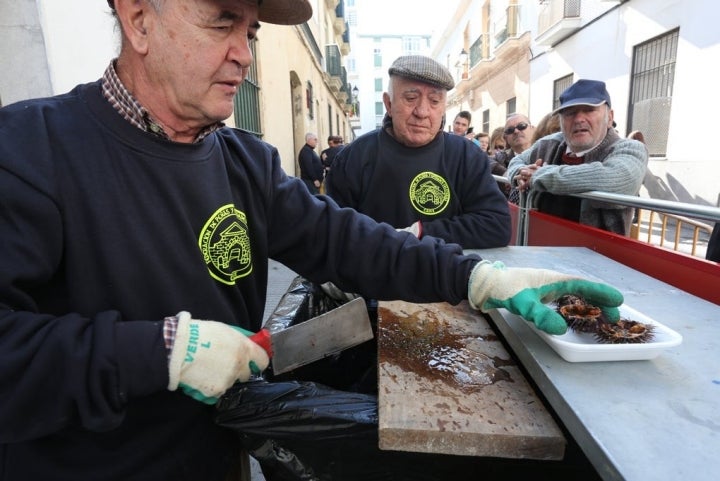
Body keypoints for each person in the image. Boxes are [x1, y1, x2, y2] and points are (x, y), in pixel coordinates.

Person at [0, 2, 626, 479]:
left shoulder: (242, 161)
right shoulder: (29, 152)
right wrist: (160, 350)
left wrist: (473, 277)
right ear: (138, 18)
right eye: (222, 23)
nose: (244, 54)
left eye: (250, 32)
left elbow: (349, 241)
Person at [325, 55, 512, 249]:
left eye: (434, 101)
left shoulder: (466, 156)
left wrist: (420, 232)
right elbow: (335, 230)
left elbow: (496, 225)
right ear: (388, 104)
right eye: (411, 98)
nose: (422, 111)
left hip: (444, 275)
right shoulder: (354, 157)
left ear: (443, 109)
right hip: (374, 274)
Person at [506, 79, 648, 236]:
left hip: (597, 254)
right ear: (560, 120)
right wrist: (519, 174)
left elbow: (620, 180)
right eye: (570, 113)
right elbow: (516, 162)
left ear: (609, 117)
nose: (579, 119)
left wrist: (539, 175)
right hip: (539, 248)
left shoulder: (630, 148)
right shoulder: (549, 143)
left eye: (589, 110)